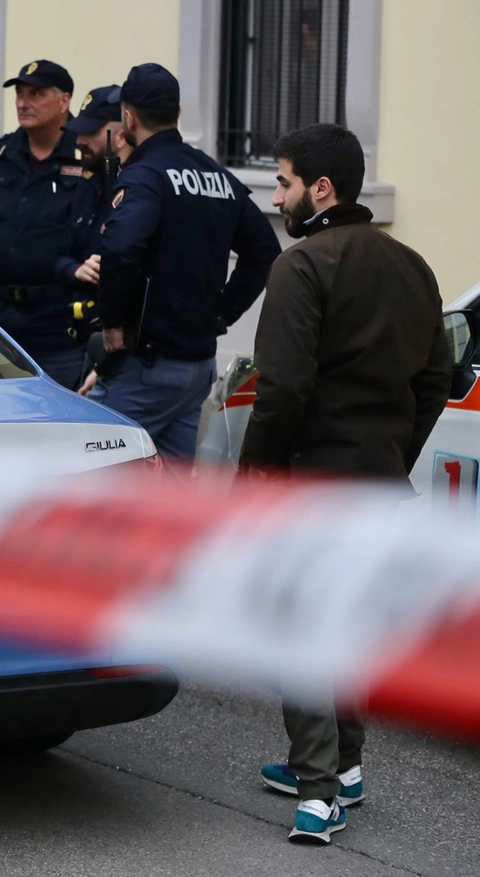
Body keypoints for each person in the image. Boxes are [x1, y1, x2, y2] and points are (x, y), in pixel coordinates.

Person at [239, 123, 450, 844]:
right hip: (381, 484)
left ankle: (317, 792)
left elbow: (283, 388)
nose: (278, 195)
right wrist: (395, 451)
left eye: (286, 182)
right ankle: (347, 768)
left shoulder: (300, 266)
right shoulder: (415, 267)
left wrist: (255, 474)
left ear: (320, 190)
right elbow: (437, 381)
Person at [91, 63, 280, 469]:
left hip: (146, 365)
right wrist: (221, 314)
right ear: (177, 114)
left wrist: (112, 323)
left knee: (96, 477)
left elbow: (122, 248)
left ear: (128, 118)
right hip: (196, 366)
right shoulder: (217, 176)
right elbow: (265, 251)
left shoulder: (145, 177)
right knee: (170, 497)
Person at [0, 60, 87, 388]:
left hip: (60, 326)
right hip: (2, 322)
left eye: (37, 94)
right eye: (20, 94)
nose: (24, 103)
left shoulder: (85, 156)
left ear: (64, 101)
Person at [58, 84, 129, 390]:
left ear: (122, 131)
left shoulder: (140, 186)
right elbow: (56, 250)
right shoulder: (85, 186)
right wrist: (73, 269)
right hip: (82, 336)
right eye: (79, 131)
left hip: (123, 345)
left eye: (92, 133)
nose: (81, 141)